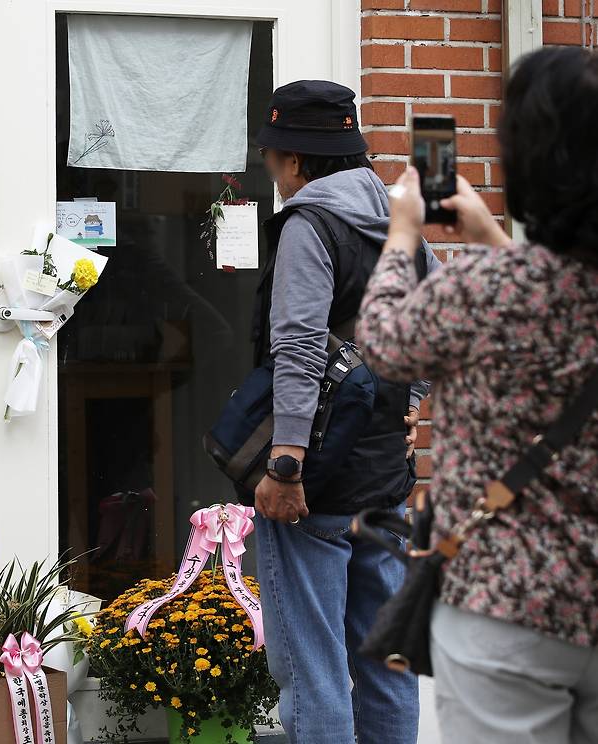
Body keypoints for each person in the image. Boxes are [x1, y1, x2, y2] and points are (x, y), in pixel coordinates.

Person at [355, 45, 598, 744]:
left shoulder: (482, 294)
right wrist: (492, 237)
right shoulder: (501, 286)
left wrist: (402, 233)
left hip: (503, 607)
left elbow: (384, 340)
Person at [249, 80, 440, 744]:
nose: (273, 172)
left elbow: (299, 346)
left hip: (317, 485)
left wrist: (286, 462)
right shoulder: (398, 221)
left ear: (296, 160)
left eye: (274, 157)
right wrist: (410, 407)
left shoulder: (310, 223)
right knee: (386, 665)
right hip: (386, 477)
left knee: (316, 672)